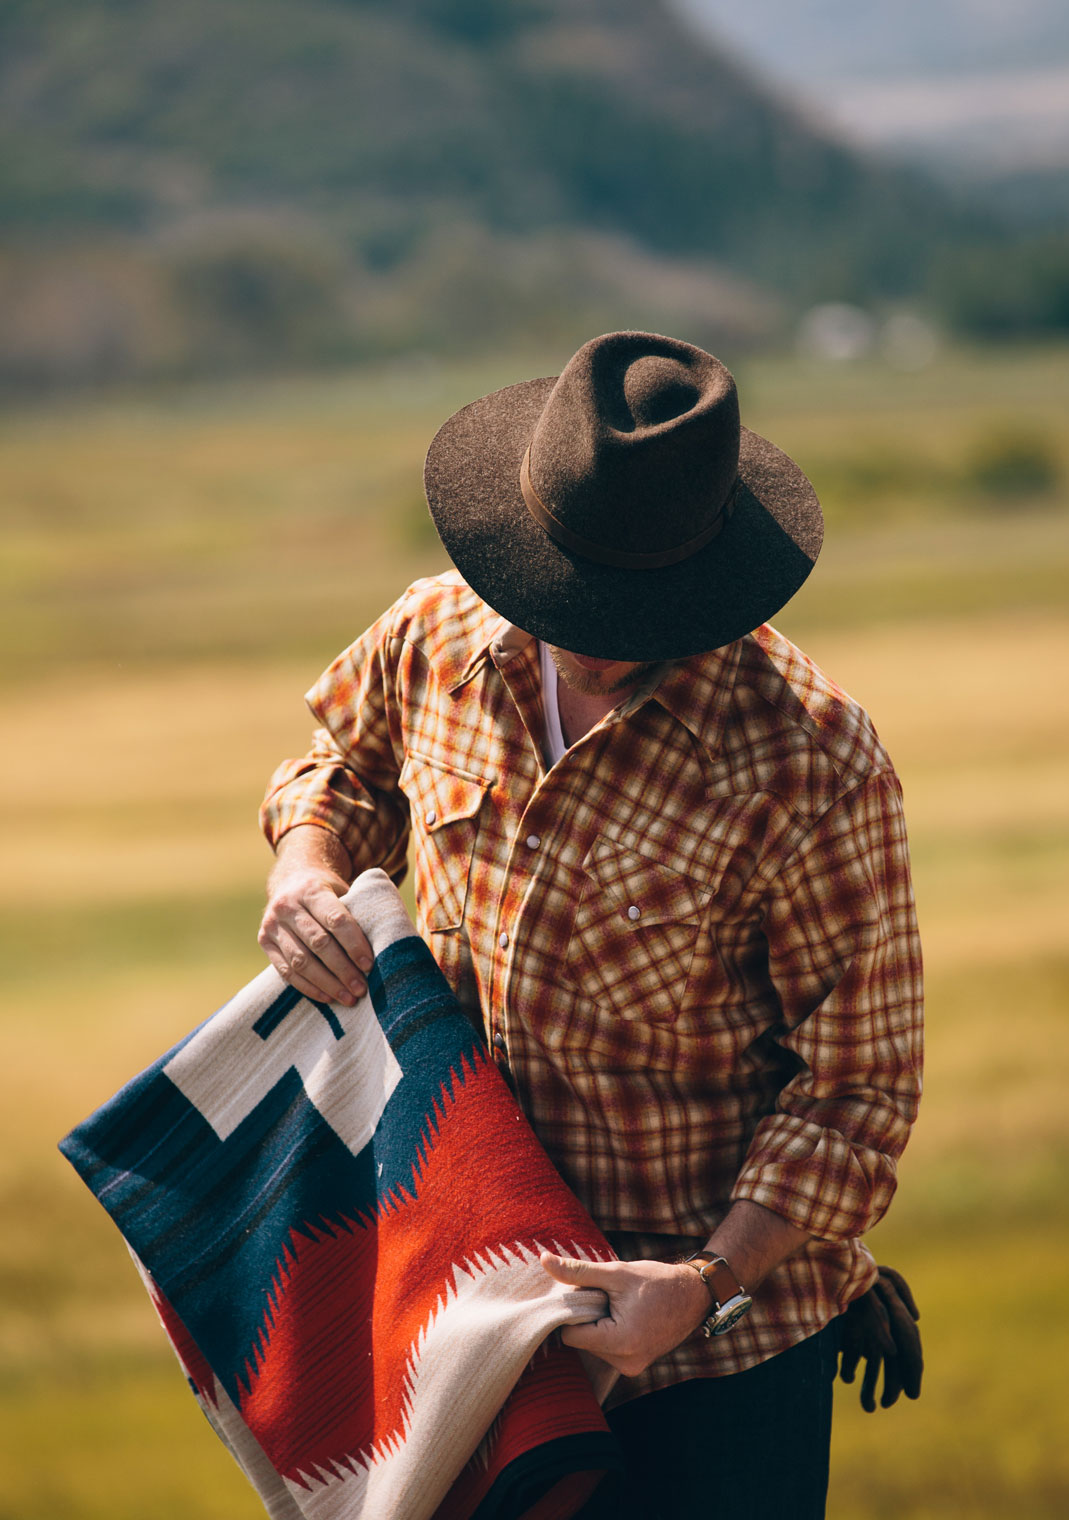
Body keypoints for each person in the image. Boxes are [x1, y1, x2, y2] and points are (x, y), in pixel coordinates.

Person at [257, 331, 923, 1518]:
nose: (598, 635)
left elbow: (856, 1091)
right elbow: (338, 768)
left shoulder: (811, 761)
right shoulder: (434, 635)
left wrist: (709, 1277)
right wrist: (305, 862)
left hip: (717, 1358)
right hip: (463, 1300)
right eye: (575, 595)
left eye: (642, 607)